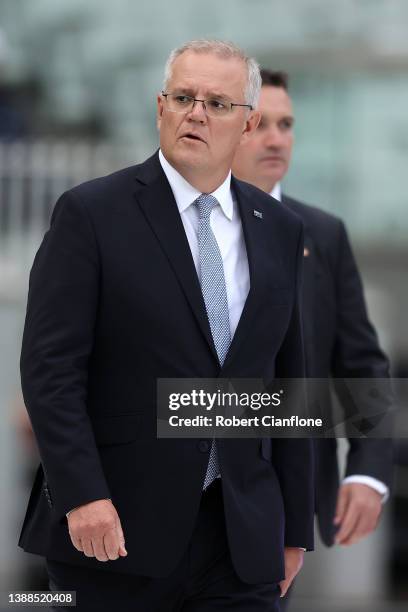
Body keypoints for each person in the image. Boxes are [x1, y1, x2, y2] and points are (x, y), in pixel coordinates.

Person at [19, 42, 314, 611]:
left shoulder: (279, 227)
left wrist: (294, 525)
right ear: (161, 107)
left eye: (217, 103)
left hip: (242, 536)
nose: (196, 113)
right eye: (183, 97)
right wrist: (82, 496)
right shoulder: (90, 214)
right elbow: (50, 371)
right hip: (114, 531)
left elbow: (287, 384)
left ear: (249, 123)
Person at [233, 69, 393, 604]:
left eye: (287, 124)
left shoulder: (323, 234)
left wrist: (368, 472)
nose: (277, 138)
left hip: (285, 502)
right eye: (260, 124)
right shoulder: (171, 227)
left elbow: (361, 363)